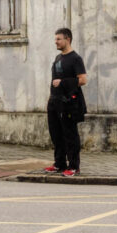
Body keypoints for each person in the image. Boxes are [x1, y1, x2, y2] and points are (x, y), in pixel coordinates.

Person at [44, 27, 87, 177]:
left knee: (70, 135)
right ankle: (59, 163)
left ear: (67, 39)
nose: (55, 42)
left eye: (58, 39)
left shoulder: (75, 59)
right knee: (56, 134)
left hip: (69, 103)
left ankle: (74, 166)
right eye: (55, 39)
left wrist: (62, 83)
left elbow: (82, 80)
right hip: (55, 102)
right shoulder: (58, 58)